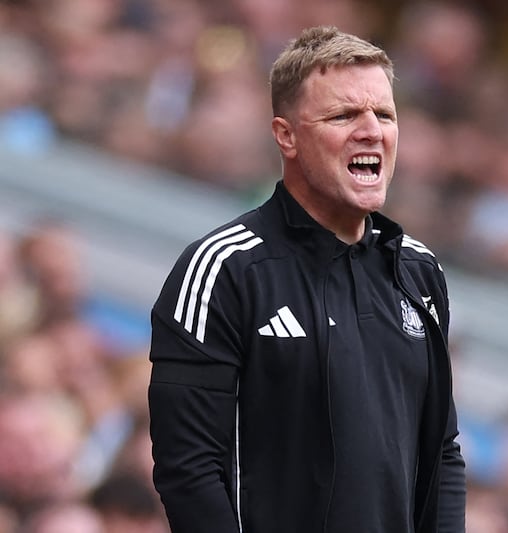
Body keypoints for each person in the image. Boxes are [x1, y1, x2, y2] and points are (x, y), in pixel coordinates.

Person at [148, 25, 466, 533]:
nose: (371, 130)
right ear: (286, 136)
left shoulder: (420, 272)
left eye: (384, 114)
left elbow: (442, 452)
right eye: (343, 115)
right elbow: (189, 468)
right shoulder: (222, 269)